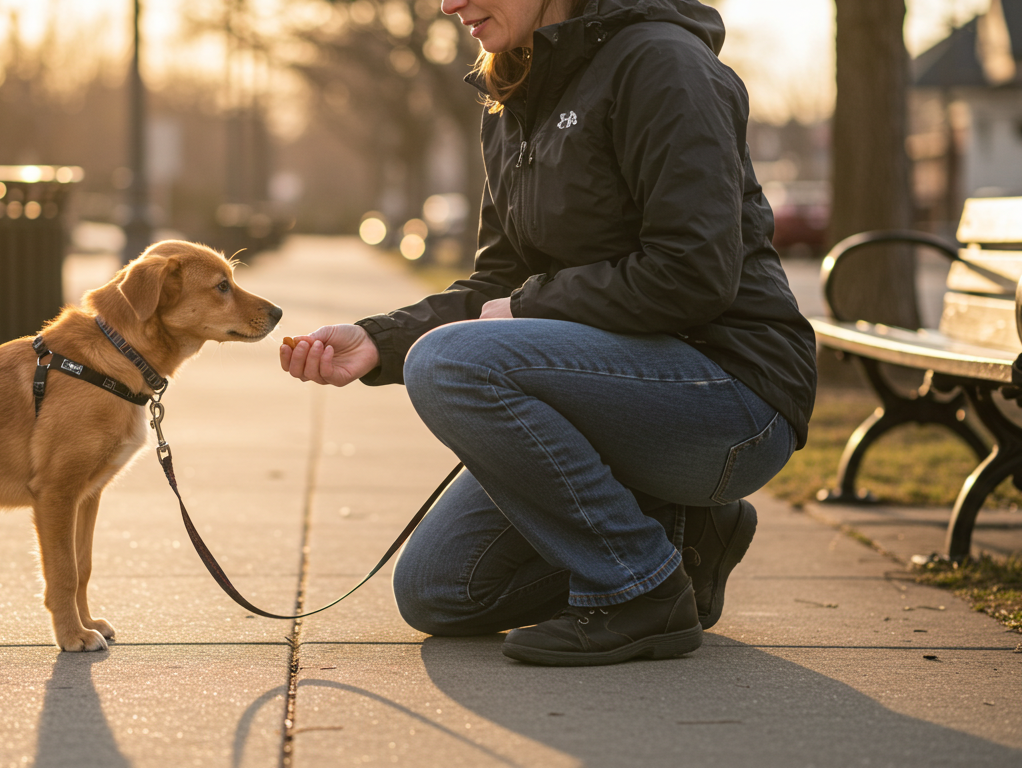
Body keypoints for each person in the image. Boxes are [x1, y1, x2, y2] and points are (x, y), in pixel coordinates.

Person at [278, 0, 816, 667]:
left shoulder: (662, 64)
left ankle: (639, 586)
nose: (450, 6)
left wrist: (533, 304)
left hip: (730, 397)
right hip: (624, 395)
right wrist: (379, 339)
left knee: (448, 364)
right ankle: (683, 534)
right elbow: (497, 282)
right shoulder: (514, 88)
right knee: (441, 592)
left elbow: (693, 272)